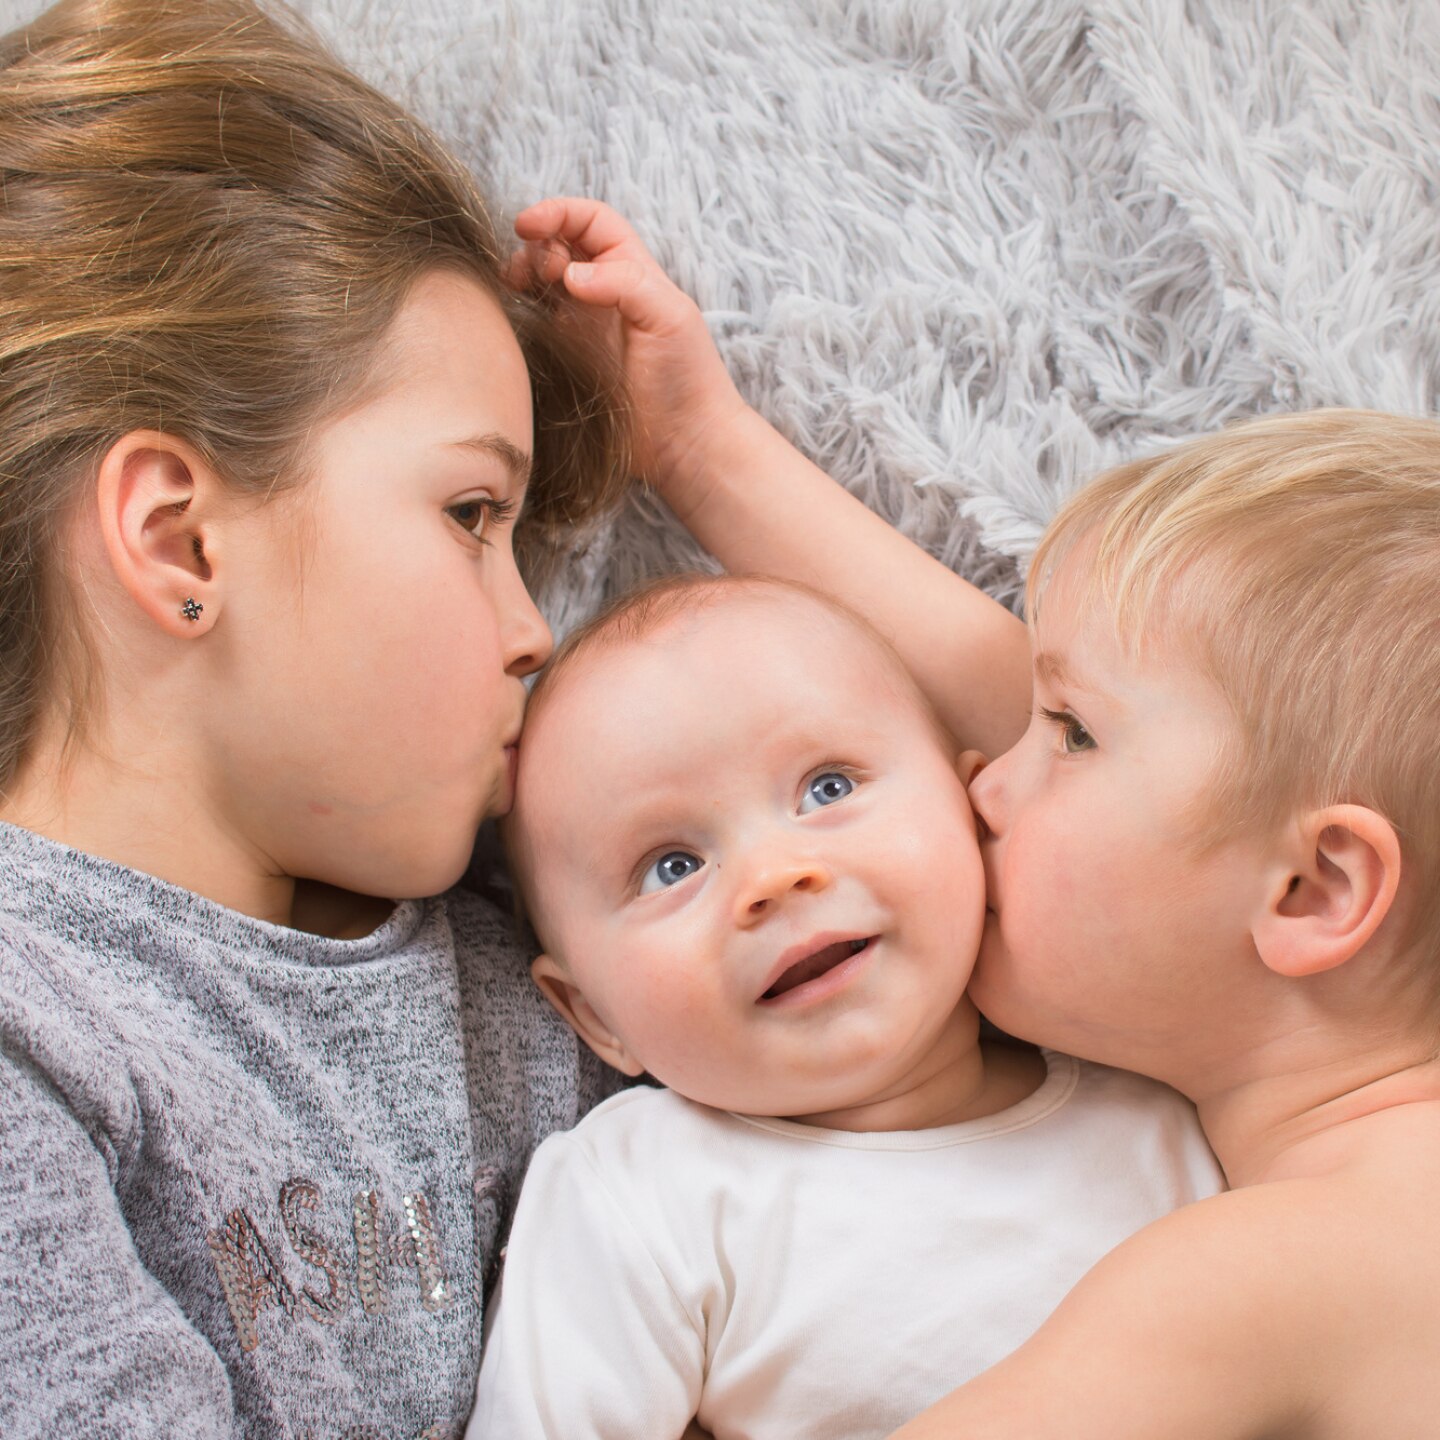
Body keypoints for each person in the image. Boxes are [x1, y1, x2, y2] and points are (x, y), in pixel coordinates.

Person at [509, 199, 1440, 1438]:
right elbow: (1195, 783)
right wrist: (696, 448)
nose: (978, 780)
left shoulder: (1254, 1279)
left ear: (1312, 893)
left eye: (1066, 734)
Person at [0, 2, 633, 1435]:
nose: (537, 629)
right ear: (179, 541)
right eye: (474, 514)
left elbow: (1032, 870)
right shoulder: (36, 1025)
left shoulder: (530, 981)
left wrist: (715, 460)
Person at [470, 572, 1223, 1438]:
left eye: (828, 788)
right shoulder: (638, 1196)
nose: (773, 877)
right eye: (670, 867)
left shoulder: (1159, 1107)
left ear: (973, 805)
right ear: (594, 1015)